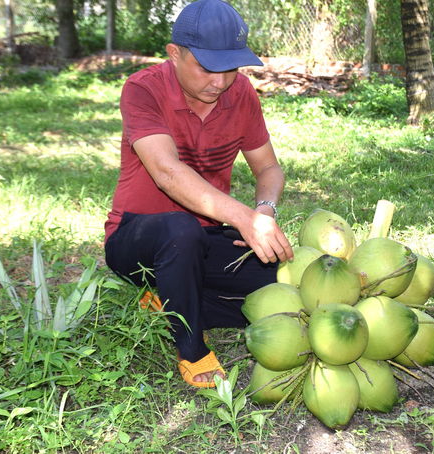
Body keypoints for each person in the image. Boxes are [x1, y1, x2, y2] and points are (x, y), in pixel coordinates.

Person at [104, 0, 294, 388]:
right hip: (137, 238)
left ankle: (168, 299)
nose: (220, 82)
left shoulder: (241, 94)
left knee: (282, 288)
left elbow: (269, 168)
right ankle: (191, 349)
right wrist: (242, 217)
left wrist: (264, 210)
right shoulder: (143, 89)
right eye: (207, 67)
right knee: (180, 229)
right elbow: (167, 173)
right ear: (174, 54)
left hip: (202, 240)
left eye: (231, 68)